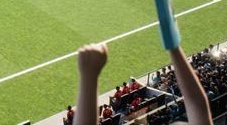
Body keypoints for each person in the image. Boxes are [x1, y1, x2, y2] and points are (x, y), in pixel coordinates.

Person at [73, 44, 212, 125]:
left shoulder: (126, 96)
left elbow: (197, 104)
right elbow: (198, 104)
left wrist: (89, 76)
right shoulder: (134, 95)